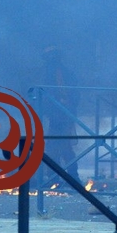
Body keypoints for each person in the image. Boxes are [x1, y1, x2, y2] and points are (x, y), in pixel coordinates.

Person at [39, 45, 81, 186]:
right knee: (54, 147)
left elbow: (72, 94)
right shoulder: (48, 73)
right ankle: (57, 179)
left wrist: (64, 105)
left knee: (63, 147)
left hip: (63, 115)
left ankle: (71, 178)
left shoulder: (62, 73)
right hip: (55, 116)